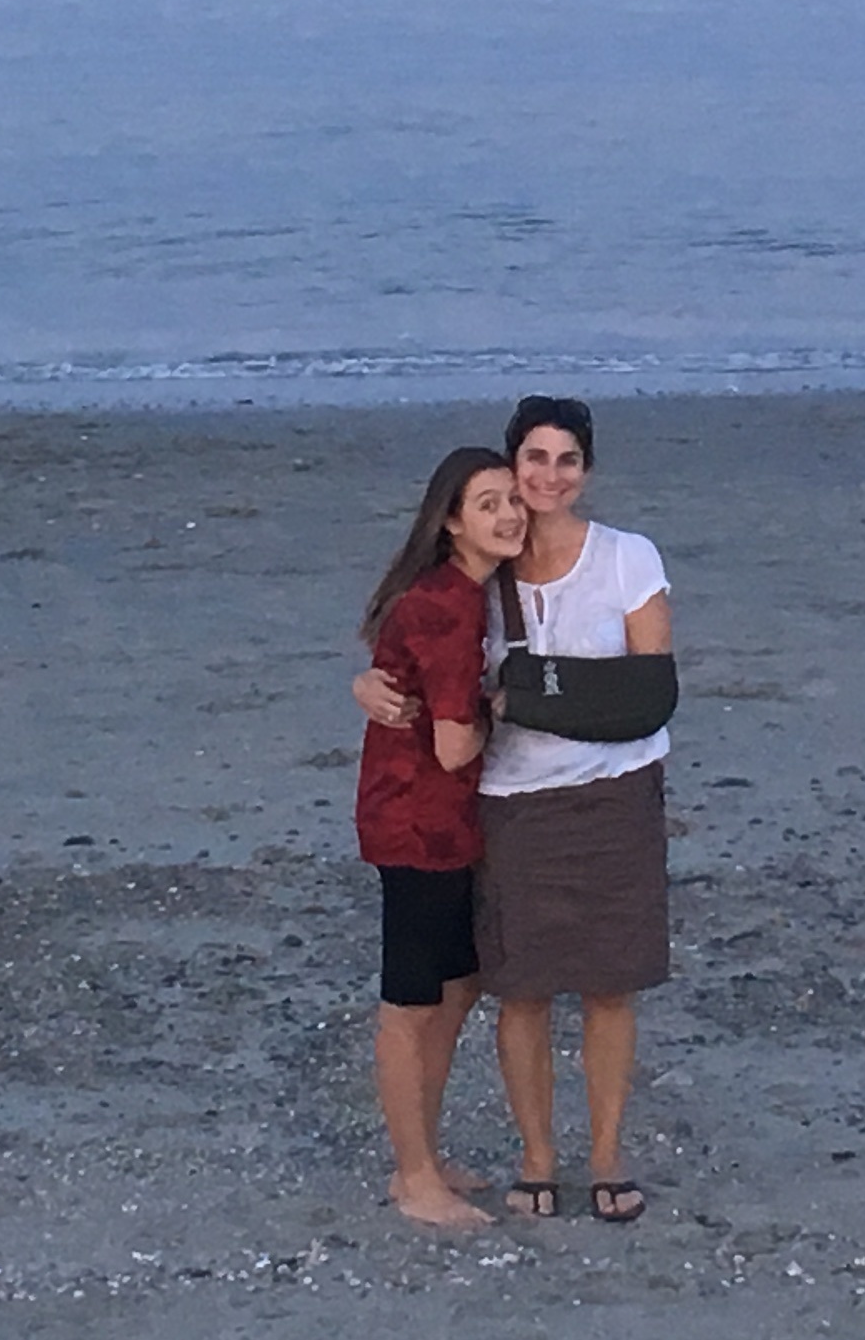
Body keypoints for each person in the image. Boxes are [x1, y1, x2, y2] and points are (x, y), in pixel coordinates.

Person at [354, 395, 673, 1224]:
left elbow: (651, 692)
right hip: (502, 804)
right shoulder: (481, 574)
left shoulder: (625, 558)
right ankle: (524, 1158)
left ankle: (603, 1154)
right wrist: (368, 686)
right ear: (505, 470)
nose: (547, 478)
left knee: (606, 985)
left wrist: (523, 699)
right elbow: (410, 645)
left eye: (567, 461)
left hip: (610, 792)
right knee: (515, 989)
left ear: (587, 471)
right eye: (533, 461)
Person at [350, 446, 525, 1229]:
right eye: (487, 503)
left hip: (453, 823)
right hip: (415, 822)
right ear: (451, 520)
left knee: (457, 989)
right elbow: (455, 743)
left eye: (512, 499)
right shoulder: (446, 604)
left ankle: (423, 1150)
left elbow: (389, 664)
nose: (509, 514)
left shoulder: (470, 593)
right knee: (411, 1001)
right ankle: (413, 1174)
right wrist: (503, 705)